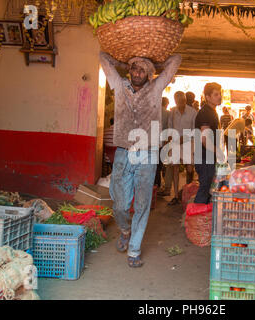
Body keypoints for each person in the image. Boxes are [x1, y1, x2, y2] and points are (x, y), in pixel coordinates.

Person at [99, 52, 181, 268]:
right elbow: (102, 56)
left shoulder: (156, 88)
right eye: (134, 68)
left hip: (148, 152)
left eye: (142, 69)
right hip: (124, 152)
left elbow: (177, 59)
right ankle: (125, 230)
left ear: (149, 74)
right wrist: (123, 61)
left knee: (142, 203)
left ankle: (134, 250)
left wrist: (156, 63)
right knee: (120, 204)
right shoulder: (119, 84)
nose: (137, 73)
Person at [166, 91, 197, 205]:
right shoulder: (172, 112)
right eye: (179, 101)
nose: (182, 103)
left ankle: (188, 193)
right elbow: (170, 127)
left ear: (185, 99)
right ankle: (176, 196)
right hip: (175, 144)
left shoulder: (192, 112)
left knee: (189, 169)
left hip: (188, 144)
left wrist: (184, 138)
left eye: (183, 100)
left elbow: (195, 130)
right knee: (175, 168)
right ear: (175, 101)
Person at [193, 83, 222, 204]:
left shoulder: (212, 111)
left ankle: (200, 219)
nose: (220, 96)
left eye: (220, 94)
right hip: (205, 158)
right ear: (208, 97)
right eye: (216, 94)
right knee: (204, 190)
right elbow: (205, 139)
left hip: (208, 157)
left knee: (207, 189)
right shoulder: (205, 112)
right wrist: (218, 151)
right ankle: (195, 220)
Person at [155, 97, 170, 189]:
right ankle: (158, 184)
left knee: (153, 163)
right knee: (159, 164)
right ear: (167, 103)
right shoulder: (167, 113)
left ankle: (155, 184)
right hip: (162, 141)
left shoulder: (154, 111)